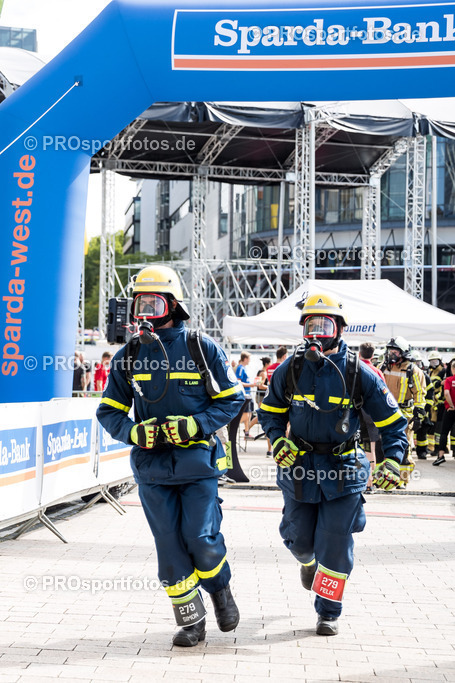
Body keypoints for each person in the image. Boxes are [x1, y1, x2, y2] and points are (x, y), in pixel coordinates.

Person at [96, 265, 244, 647]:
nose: (144, 311)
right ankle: (192, 622)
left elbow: (232, 400)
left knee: (201, 539)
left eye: (153, 302)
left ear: (172, 304)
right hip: (153, 469)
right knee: (169, 546)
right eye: (138, 303)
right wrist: (132, 432)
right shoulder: (128, 356)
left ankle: (220, 591)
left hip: (198, 464)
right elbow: (108, 411)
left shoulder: (200, 347)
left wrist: (195, 425)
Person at [257, 292, 407, 637]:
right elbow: (270, 413)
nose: (317, 333)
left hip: (344, 469)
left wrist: (393, 462)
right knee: (299, 539)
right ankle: (307, 563)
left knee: (335, 545)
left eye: (324, 325)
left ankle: (328, 611)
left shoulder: (360, 372)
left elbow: (393, 424)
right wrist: (277, 439)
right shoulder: (289, 369)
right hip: (299, 467)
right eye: (311, 325)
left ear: (339, 328)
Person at [380, 336, 427, 486]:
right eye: (390, 350)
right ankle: (384, 476)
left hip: (404, 415)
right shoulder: (384, 367)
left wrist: (419, 412)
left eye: (395, 351)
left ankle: (402, 479)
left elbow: (419, 393)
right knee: (384, 445)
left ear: (404, 352)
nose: (391, 354)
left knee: (404, 446)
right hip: (386, 412)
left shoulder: (413, 370)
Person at [357, 342, 386, 490]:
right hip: (371, 415)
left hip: (353, 414)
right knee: (370, 450)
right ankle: (370, 483)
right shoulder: (377, 372)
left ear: (359, 354)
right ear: (373, 355)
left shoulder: (352, 370)